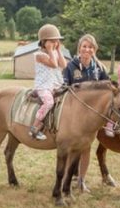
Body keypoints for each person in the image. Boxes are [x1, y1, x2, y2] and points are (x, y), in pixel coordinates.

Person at [62, 34, 112, 191]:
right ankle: (66, 179)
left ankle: (81, 180)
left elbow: (109, 87)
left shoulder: (99, 68)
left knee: (86, 148)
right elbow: (64, 87)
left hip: (91, 117)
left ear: (94, 49)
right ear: (79, 48)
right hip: (74, 115)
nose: (87, 49)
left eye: (90, 47)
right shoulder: (71, 66)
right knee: (71, 148)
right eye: (84, 46)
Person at [30, 24, 67, 140]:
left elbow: (63, 65)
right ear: (44, 42)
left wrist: (58, 50)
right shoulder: (39, 55)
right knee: (49, 102)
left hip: (55, 84)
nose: (56, 43)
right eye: (53, 41)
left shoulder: (55, 52)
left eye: (57, 41)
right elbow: (54, 64)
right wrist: (51, 50)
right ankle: (34, 127)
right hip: (43, 86)